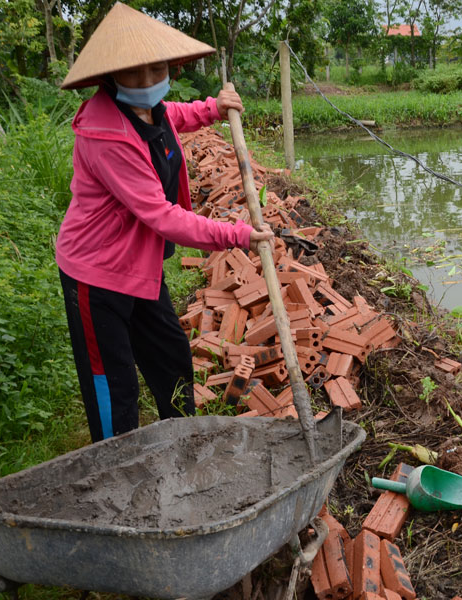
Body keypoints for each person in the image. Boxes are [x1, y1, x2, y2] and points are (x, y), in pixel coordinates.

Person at [56, 2, 273, 442]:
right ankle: (114, 466)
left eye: (156, 70)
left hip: (138, 266)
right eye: (133, 74)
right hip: (96, 276)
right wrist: (239, 235)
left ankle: (182, 442)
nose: (147, 83)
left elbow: (171, 116)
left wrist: (213, 107)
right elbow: (162, 216)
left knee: (170, 355)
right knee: (112, 385)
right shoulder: (106, 133)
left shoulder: (146, 110)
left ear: (169, 65)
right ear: (109, 77)